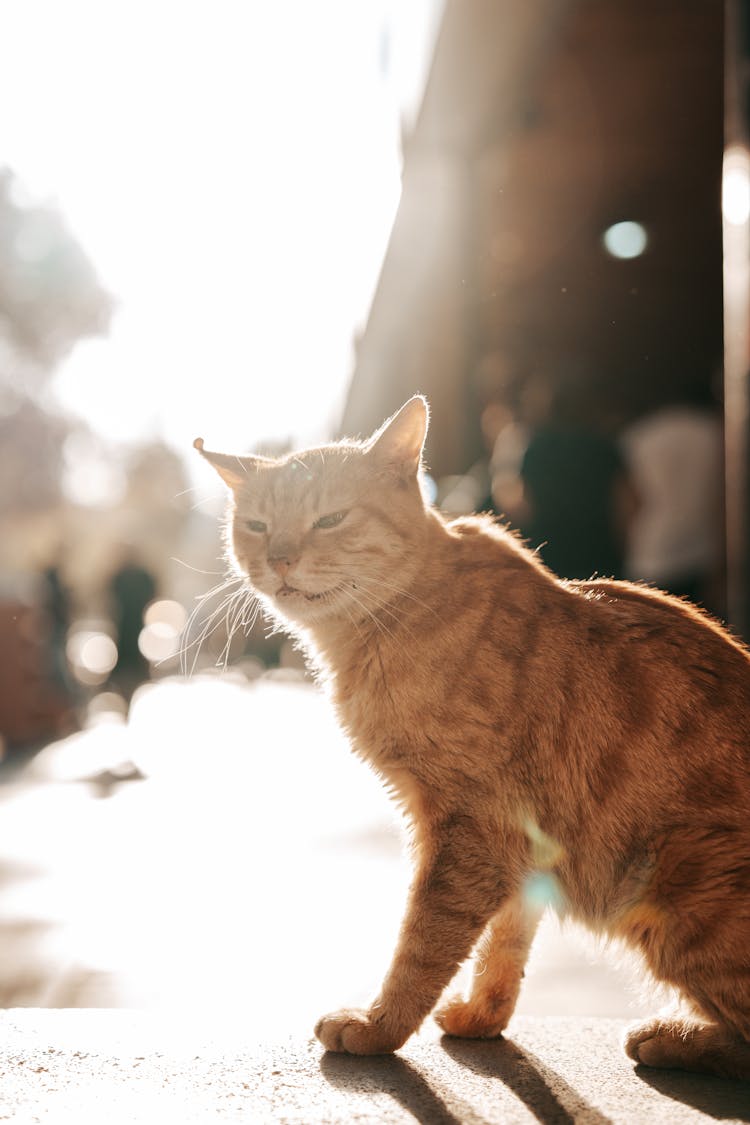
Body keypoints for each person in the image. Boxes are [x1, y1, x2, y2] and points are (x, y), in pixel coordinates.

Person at [620, 400, 724, 610]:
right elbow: (721, 500)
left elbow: (631, 502)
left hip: (652, 553)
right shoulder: (712, 431)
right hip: (702, 552)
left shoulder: (639, 435)